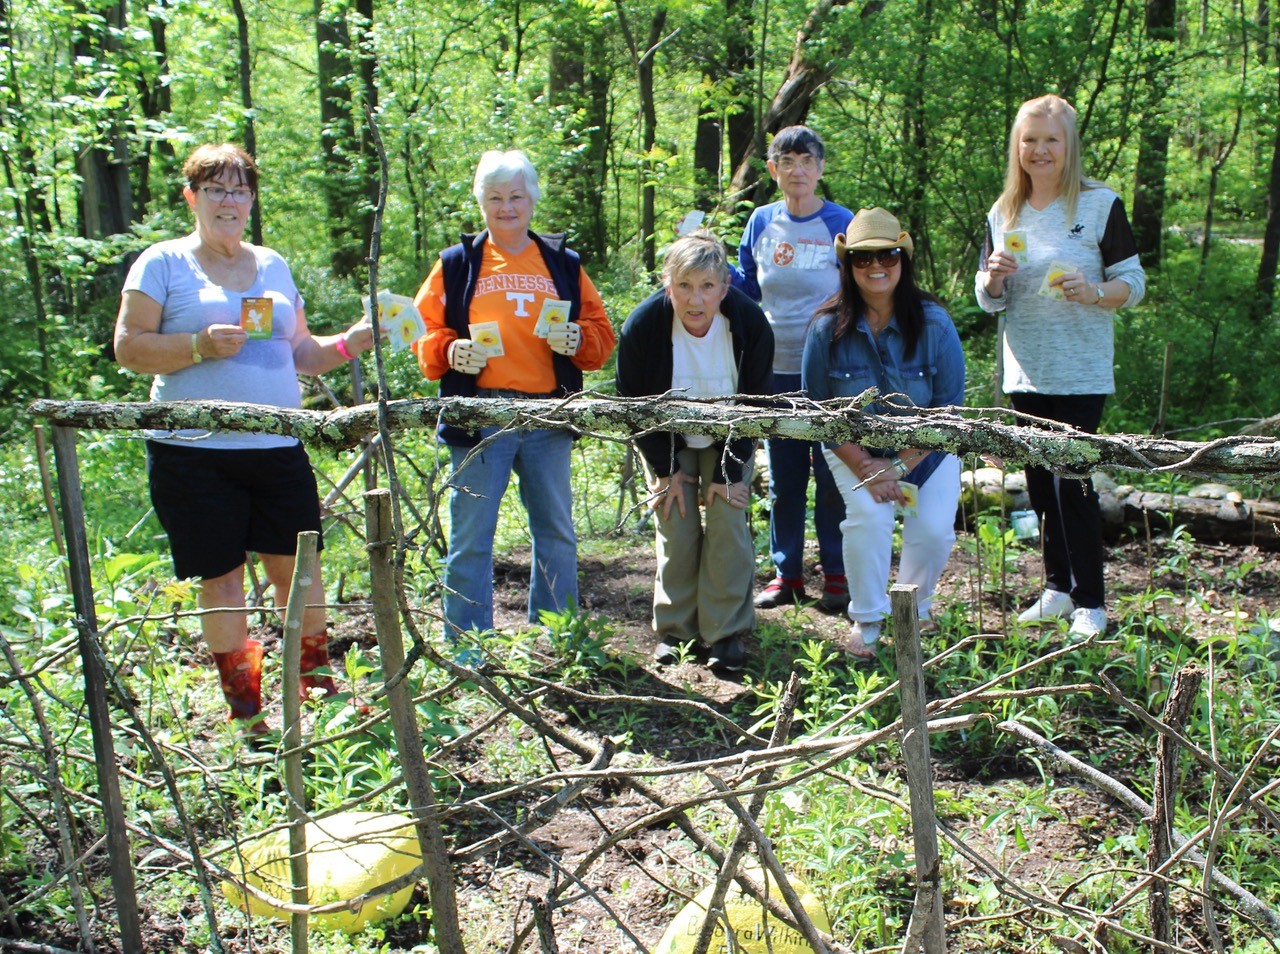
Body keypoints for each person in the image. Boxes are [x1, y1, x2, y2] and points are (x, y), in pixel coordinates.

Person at [114, 143, 379, 734]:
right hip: (193, 453)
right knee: (223, 578)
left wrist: (357, 340)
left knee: (298, 571)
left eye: (239, 190)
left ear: (251, 199)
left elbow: (304, 354)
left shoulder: (273, 265)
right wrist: (197, 345)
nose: (228, 201)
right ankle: (248, 715)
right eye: (215, 190)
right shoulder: (162, 263)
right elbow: (128, 346)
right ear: (192, 198)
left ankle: (317, 690)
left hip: (278, 446)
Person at [412, 150, 615, 646]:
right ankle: (466, 646)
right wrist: (449, 348)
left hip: (548, 414)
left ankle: (556, 641)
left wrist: (579, 340)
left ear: (532, 200)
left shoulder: (562, 263)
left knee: (557, 535)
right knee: (470, 540)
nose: (506, 207)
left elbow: (601, 335)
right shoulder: (457, 264)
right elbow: (420, 332)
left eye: (516, 196)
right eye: (495, 197)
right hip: (479, 415)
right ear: (481, 203)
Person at [975, 94, 1146, 639]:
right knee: (1039, 485)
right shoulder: (1003, 213)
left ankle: (1091, 603)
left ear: (1070, 145)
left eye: (1051, 139)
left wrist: (1095, 293)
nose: (1039, 150)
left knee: (1072, 484)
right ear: (1016, 147)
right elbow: (989, 300)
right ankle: (1055, 589)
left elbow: (1134, 284)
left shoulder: (1100, 205)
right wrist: (994, 278)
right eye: (1030, 140)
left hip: (1079, 370)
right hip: (1024, 371)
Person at [803, 208, 965, 658]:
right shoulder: (824, 329)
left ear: (903, 258)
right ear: (848, 264)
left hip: (929, 450)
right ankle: (868, 619)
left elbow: (949, 411)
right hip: (853, 450)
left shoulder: (935, 323)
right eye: (862, 258)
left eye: (887, 255)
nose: (876, 267)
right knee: (869, 520)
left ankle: (914, 608)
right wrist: (866, 466)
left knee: (933, 529)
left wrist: (897, 465)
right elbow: (820, 413)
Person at [616, 231, 774, 672]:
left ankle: (724, 633)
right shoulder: (643, 326)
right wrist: (664, 472)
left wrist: (729, 474)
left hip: (731, 435)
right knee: (675, 519)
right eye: (684, 285)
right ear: (668, 285)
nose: (695, 299)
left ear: (725, 287)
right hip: (668, 436)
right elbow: (632, 404)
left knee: (727, 521)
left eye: (707, 286)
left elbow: (757, 405)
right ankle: (676, 631)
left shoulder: (750, 324)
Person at [736, 125, 852, 612]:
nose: (797, 170)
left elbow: (865, 288)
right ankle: (786, 575)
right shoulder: (762, 221)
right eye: (787, 161)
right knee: (784, 479)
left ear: (821, 169)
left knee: (832, 474)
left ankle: (838, 575)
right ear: (773, 170)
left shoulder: (841, 221)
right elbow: (745, 287)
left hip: (831, 372)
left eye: (807, 160)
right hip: (775, 370)